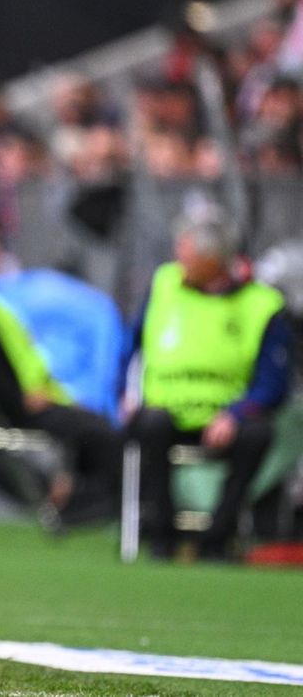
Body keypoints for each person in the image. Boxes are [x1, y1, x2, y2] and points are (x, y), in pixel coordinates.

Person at [0, 217, 122, 529]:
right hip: (2, 405)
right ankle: (91, 507)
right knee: (100, 432)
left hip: (14, 399)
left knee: (90, 425)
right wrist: (21, 399)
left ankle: (75, 502)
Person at [125, 214, 291, 561]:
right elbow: (130, 343)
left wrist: (235, 414)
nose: (179, 264)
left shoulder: (263, 305)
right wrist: (121, 391)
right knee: (148, 426)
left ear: (215, 262)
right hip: (166, 410)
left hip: (226, 417)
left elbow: (274, 383)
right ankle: (161, 531)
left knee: (258, 435)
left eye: (188, 258)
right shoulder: (164, 283)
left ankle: (220, 531)